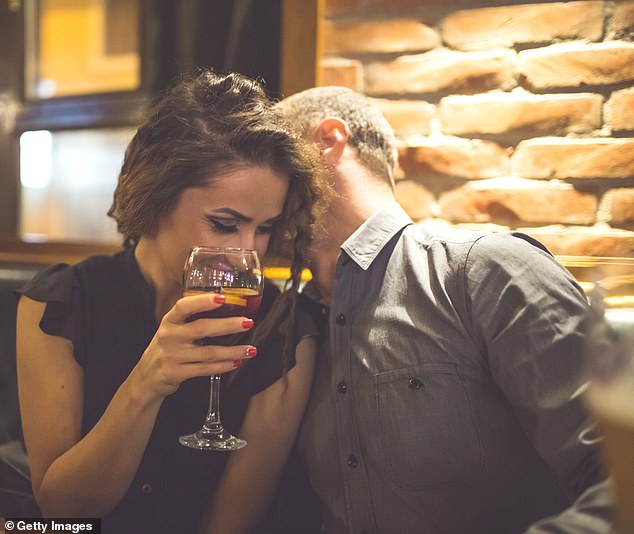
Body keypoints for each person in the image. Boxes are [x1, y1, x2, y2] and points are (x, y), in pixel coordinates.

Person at [277, 87, 614, 533]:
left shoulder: (489, 271)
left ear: (329, 140)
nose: (262, 180)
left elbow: (617, 475)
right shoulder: (286, 322)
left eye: (276, 156)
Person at [15, 70, 327, 534]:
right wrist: (147, 382)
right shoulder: (60, 305)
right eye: (225, 224)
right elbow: (64, 512)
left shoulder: (284, 327)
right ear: (154, 197)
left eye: (264, 228)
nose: (249, 253)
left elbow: (230, 524)